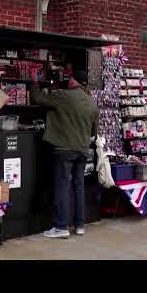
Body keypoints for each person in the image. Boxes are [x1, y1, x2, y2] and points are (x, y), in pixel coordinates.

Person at [30, 69, 99, 238]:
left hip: (64, 149)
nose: (68, 81)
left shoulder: (63, 95)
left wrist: (34, 82)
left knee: (62, 186)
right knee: (79, 185)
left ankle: (61, 227)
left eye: (70, 78)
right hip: (83, 150)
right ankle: (80, 225)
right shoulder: (92, 102)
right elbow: (94, 131)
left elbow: (38, 99)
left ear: (73, 81)